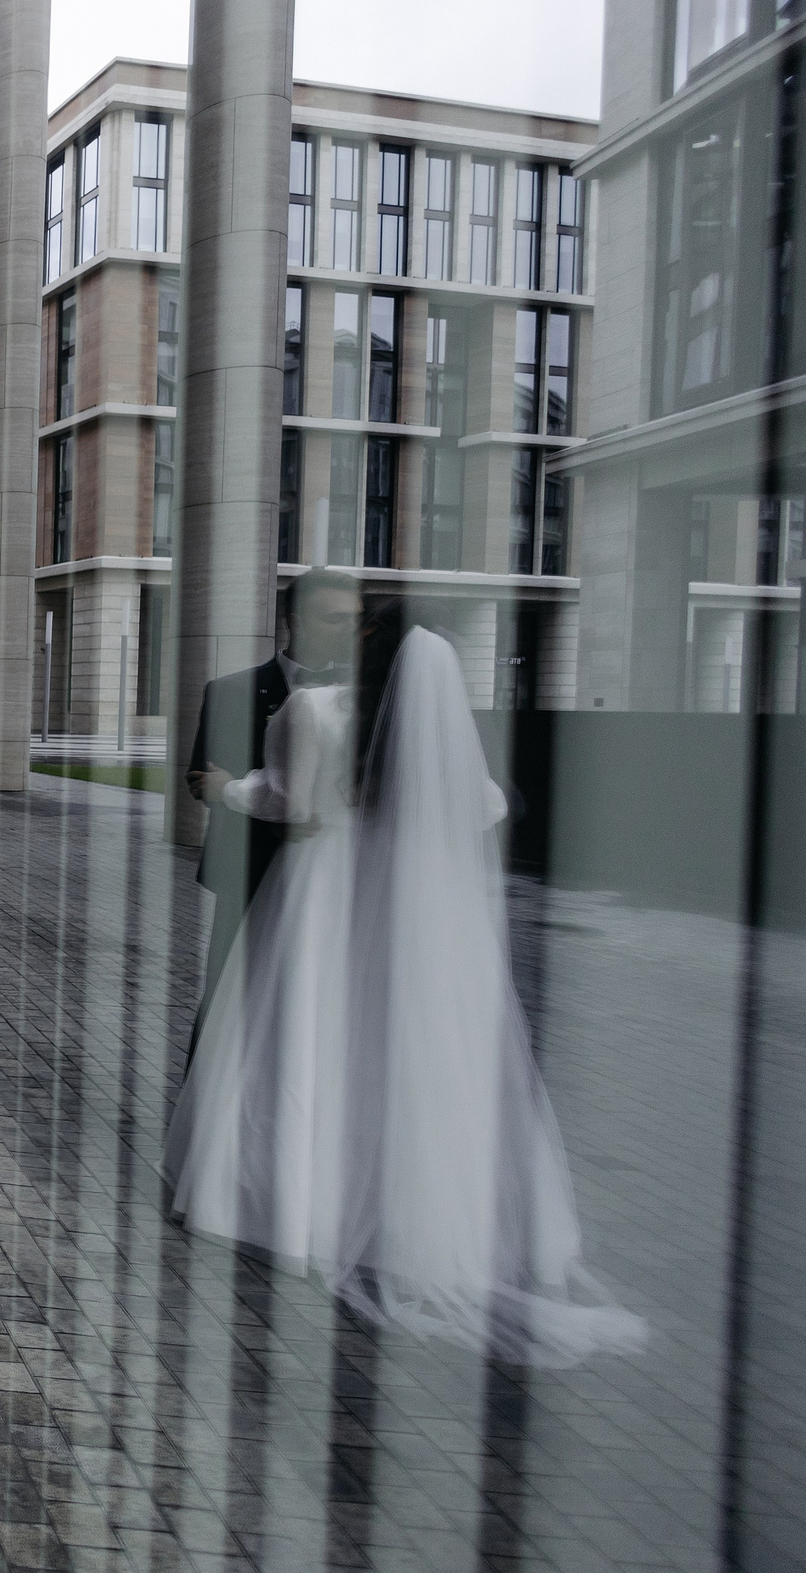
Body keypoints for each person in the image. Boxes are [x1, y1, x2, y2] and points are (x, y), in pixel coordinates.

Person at [163, 601, 645, 1366]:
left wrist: (226, 786)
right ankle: (416, 1213)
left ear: (365, 644)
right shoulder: (433, 726)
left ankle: (293, 1202)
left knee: (308, 1035)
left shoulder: (311, 708)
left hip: (321, 890)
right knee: (418, 1052)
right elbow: (485, 805)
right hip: (418, 899)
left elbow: (283, 799)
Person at [185, 569, 362, 1038]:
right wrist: (270, 814)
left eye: (355, 618)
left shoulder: (370, 699)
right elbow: (201, 779)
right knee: (228, 996)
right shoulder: (231, 690)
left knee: (321, 1005)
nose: (350, 629)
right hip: (250, 871)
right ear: (296, 622)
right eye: (334, 618)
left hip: (338, 880)